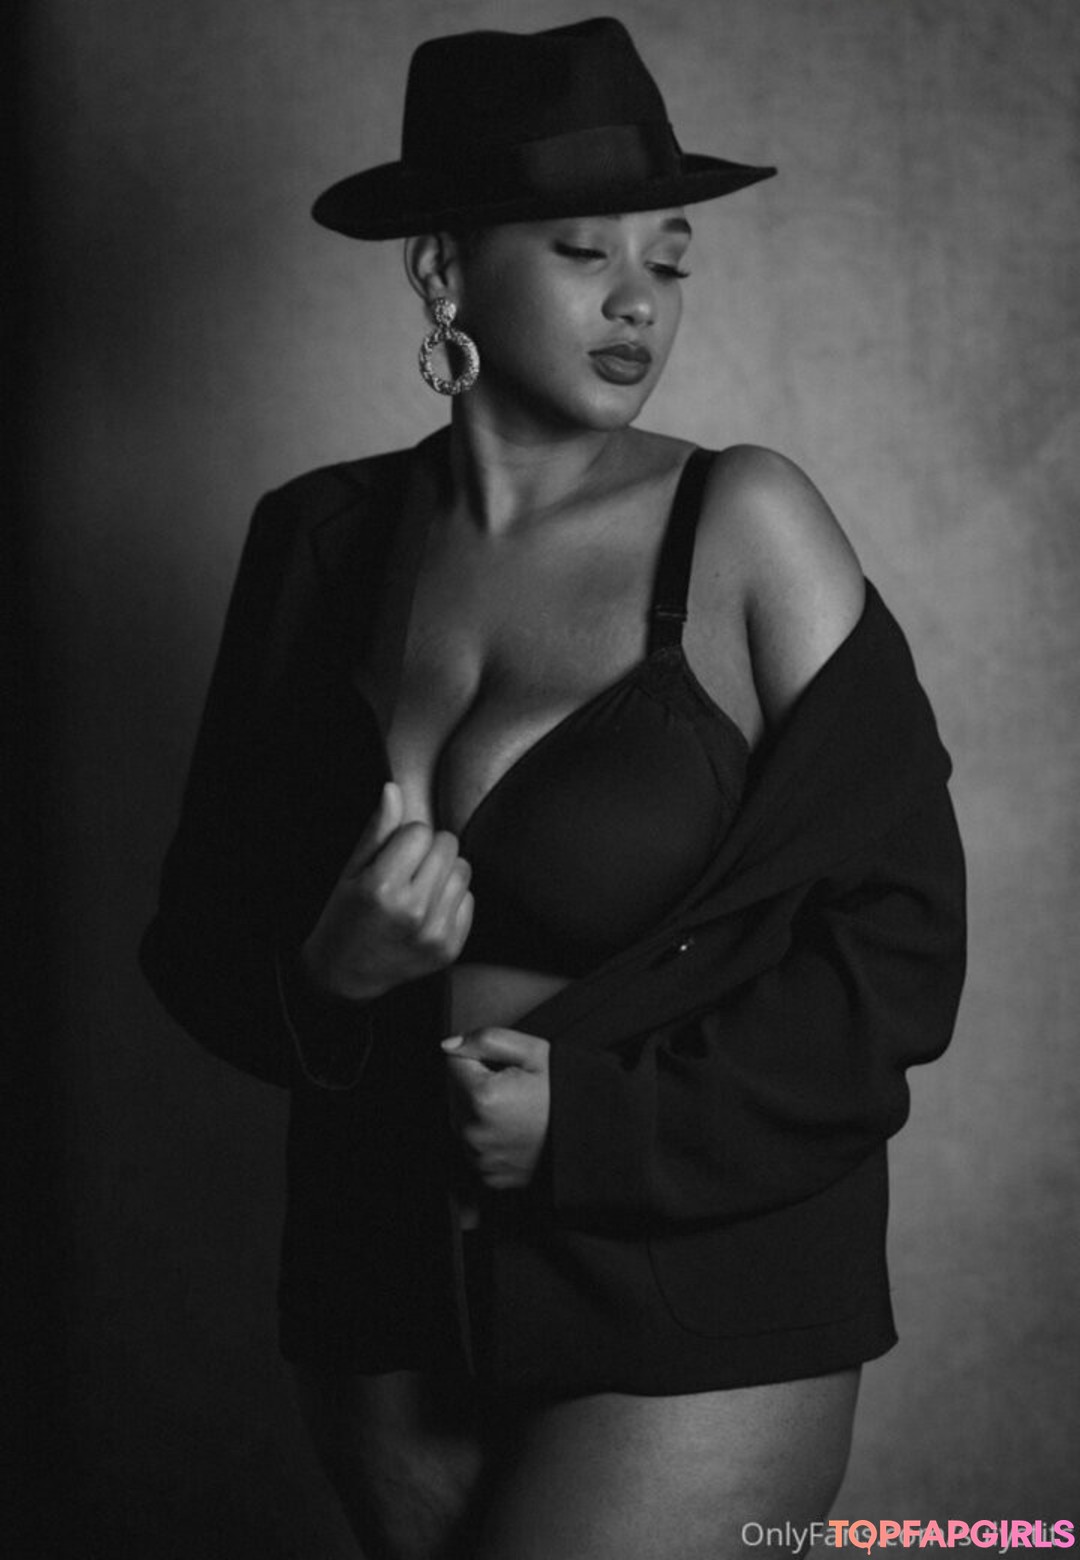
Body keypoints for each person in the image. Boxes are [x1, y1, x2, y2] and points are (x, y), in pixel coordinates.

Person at [139, 19, 966, 1560]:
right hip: (382, 1294)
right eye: (585, 251)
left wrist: (592, 1128)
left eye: (671, 258)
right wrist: (329, 975)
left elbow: (900, 946)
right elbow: (194, 942)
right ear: (443, 267)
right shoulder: (317, 543)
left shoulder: (746, 524)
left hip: (689, 1279)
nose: (639, 297)